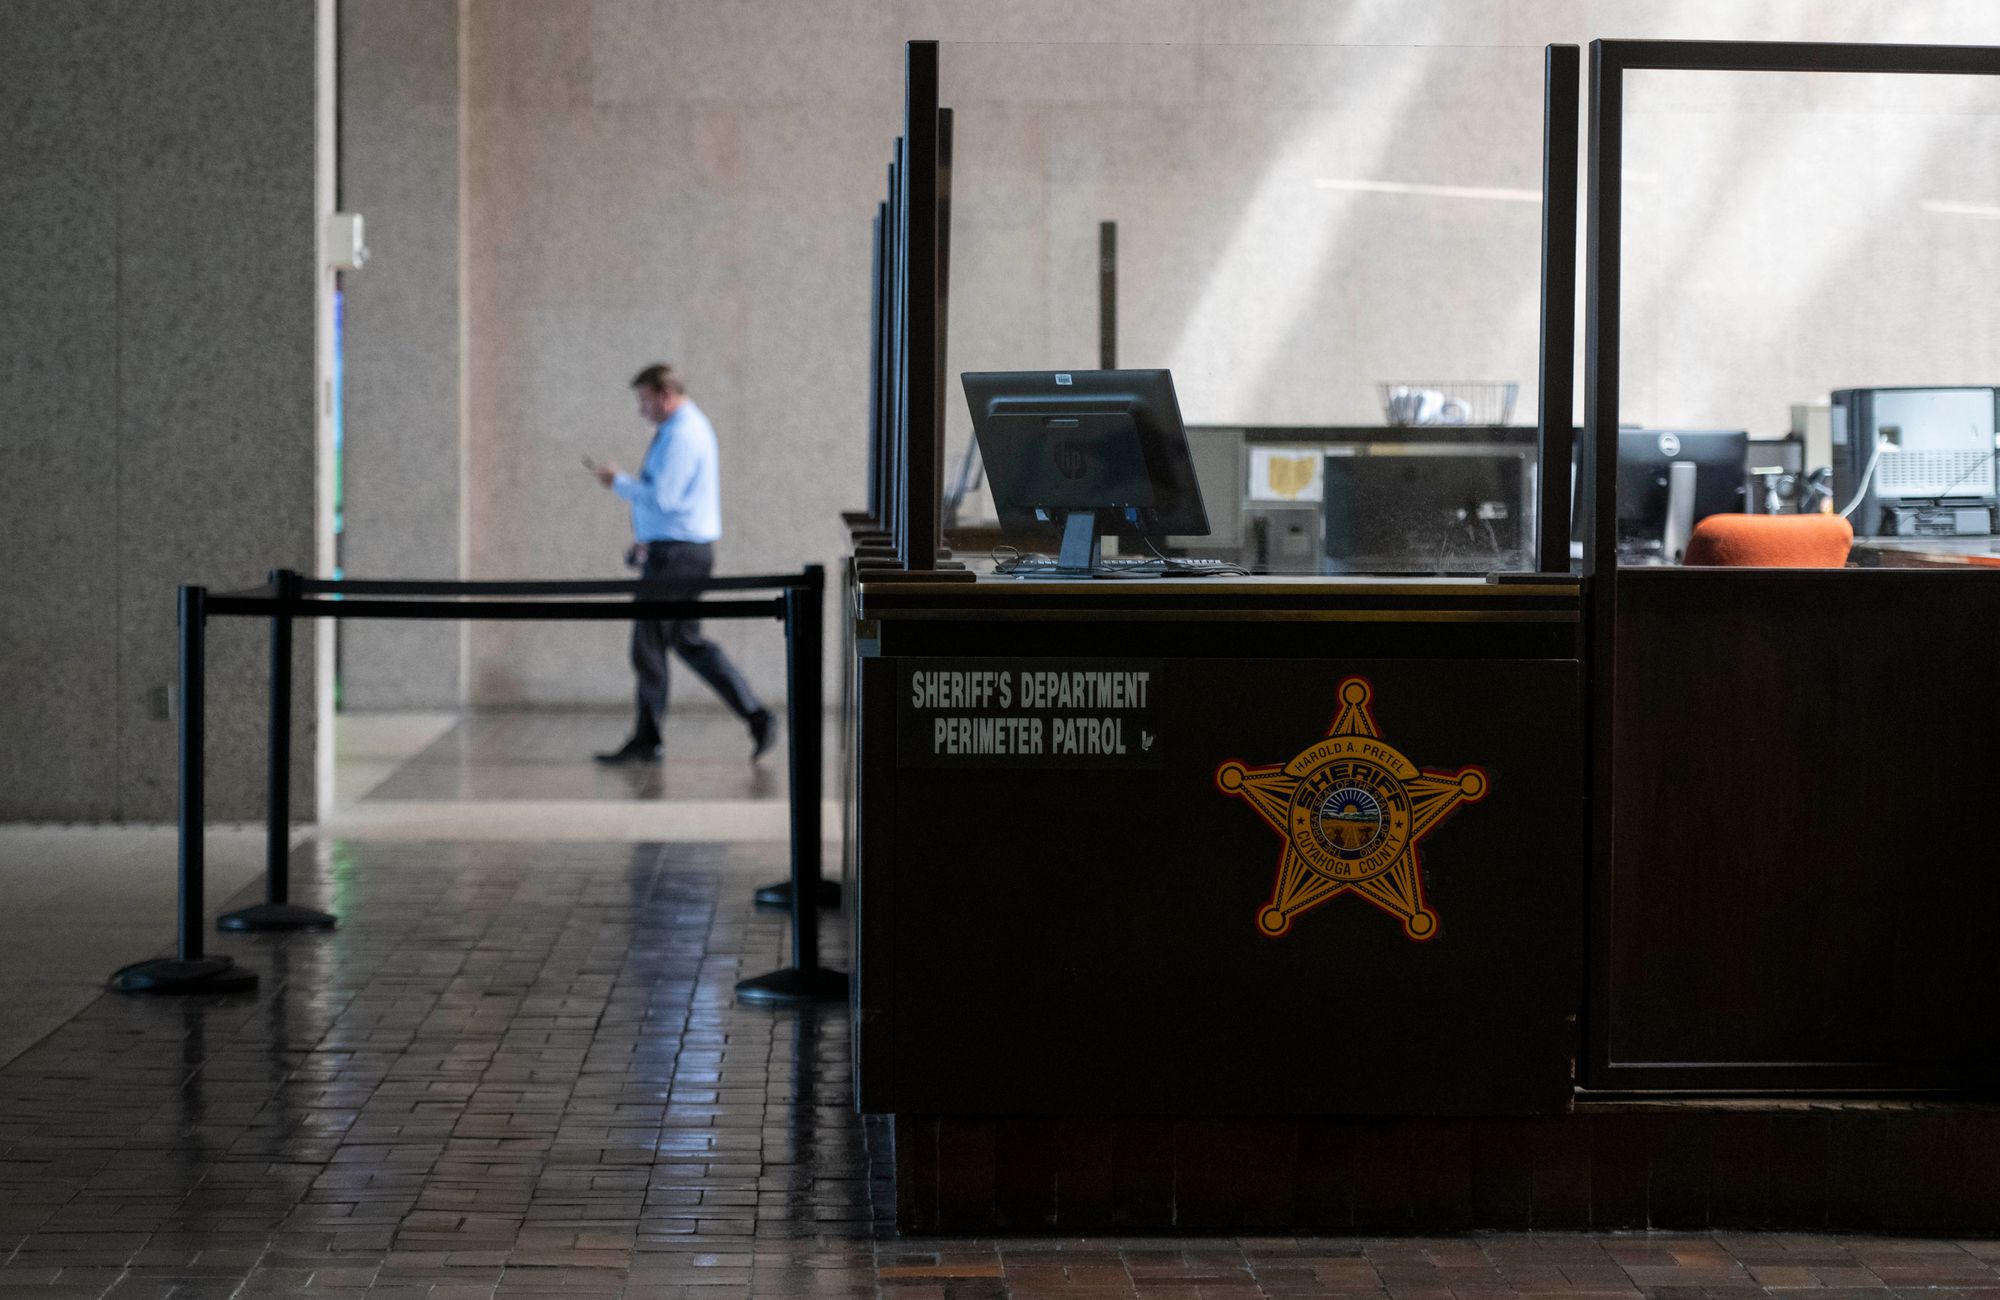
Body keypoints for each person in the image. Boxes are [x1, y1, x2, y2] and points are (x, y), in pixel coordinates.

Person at [590, 363, 776, 764]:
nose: (642, 409)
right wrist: (645, 541)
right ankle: (755, 716)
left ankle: (648, 739)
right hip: (677, 552)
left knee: (649, 645)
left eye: (645, 400)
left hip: (676, 556)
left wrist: (618, 482)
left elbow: (664, 499)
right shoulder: (684, 430)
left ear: (665, 394)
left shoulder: (682, 435)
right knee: (684, 641)